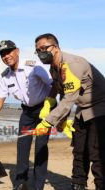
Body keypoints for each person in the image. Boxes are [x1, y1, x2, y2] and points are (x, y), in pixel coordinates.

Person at [0, 40, 55, 190]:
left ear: (17, 51)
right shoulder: (5, 76)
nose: (6, 56)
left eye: (9, 52)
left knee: (41, 146)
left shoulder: (34, 66)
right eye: (2, 54)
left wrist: (50, 105)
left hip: (44, 110)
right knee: (22, 146)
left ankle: (38, 185)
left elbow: (52, 85)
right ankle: (20, 182)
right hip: (27, 112)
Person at [34, 33, 105, 190]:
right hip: (82, 110)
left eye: (44, 48)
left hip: (100, 109)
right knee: (79, 151)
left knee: (97, 154)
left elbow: (68, 99)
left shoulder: (72, 64)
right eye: (37, 51)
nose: (41, 53)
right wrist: (62, 119)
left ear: (56, 48)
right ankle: (78, 184)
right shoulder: (54, 68)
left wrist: (47, 122)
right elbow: (61, 92)